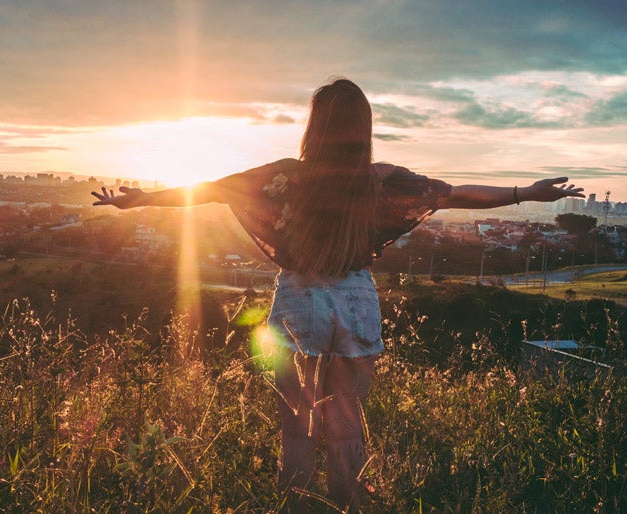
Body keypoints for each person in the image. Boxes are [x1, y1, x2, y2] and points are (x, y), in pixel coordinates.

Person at [91, 78, 584, 512]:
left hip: (298, 298)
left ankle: (298, 504)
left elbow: (210, 189)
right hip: (355, 298)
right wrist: (525, 191)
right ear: (362, 127)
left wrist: (139, 200)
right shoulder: (381, 179)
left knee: (297, 420)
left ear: (315, 126)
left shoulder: (286, 175)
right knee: (347, 413)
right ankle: (346, 501)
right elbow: (454, 192)